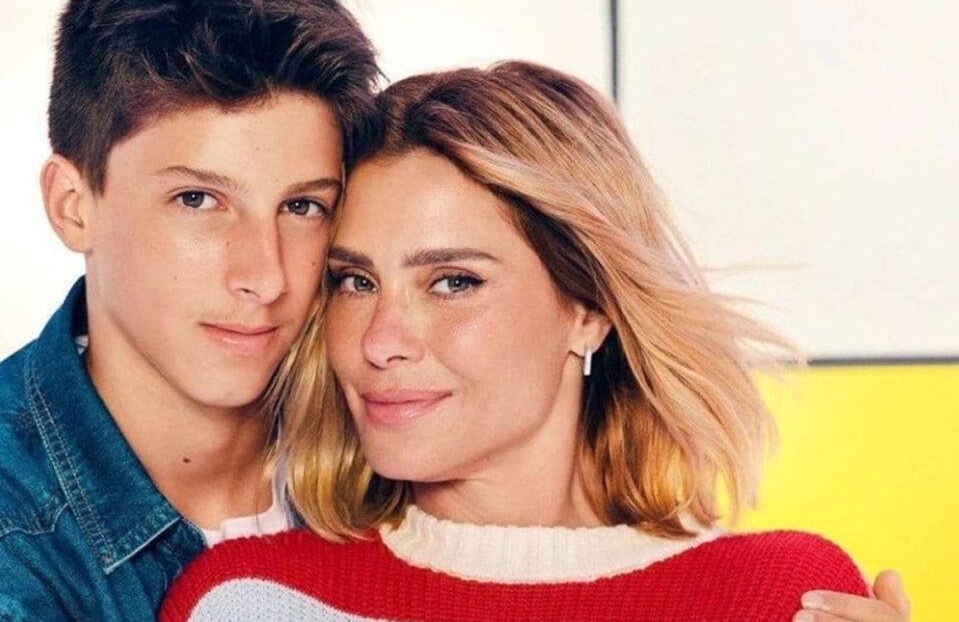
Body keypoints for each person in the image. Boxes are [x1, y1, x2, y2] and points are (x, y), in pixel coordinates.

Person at [159, 62, 913, 622]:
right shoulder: (250, 600)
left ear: (588, 309)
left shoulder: (785, 596)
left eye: (453, 281)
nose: (380, 342)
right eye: (355, 281)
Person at [0, 0, 377, 619]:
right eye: (197, 199)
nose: (265, 276)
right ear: (74, 206)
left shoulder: (387, 430)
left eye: (302, 206)